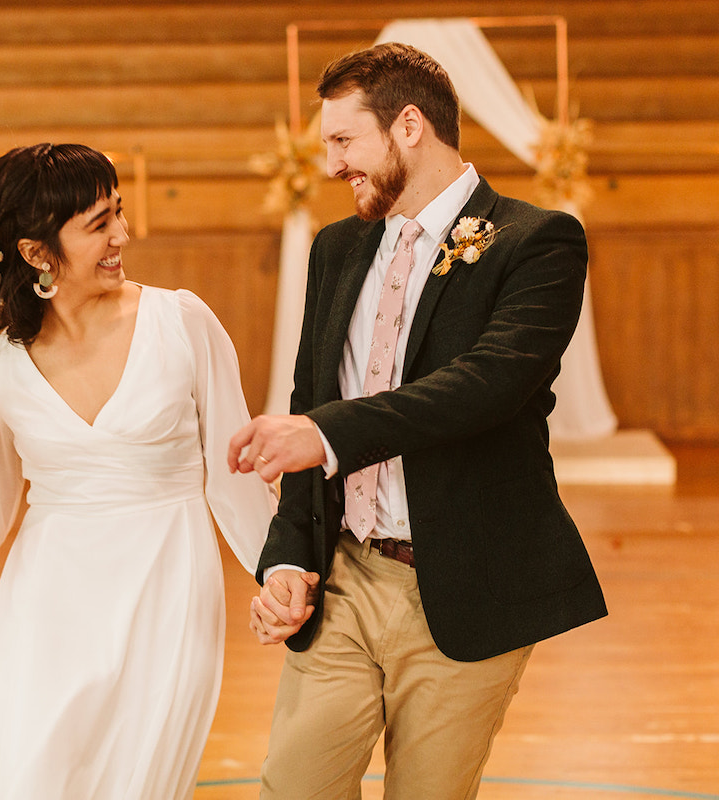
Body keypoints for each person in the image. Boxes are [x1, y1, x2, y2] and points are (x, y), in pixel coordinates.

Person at [227, 43, 608, 798]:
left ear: (409, 126)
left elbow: (485, 386)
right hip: (344, 577)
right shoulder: (336, 249)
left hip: (466, 585)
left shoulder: (537, 242)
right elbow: (313, 407)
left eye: (343, 140)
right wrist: (285, 562)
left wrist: (329, 433)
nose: (333, 165)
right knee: (293, 786)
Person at [0, 143, 273, 799]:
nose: (123, 234)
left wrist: (282, 571)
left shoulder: (182, 322)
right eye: (99, 224)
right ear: (37, 253)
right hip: (44, 606)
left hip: (168, 592)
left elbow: (235, 479)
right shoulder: (0, 368)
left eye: (118, 212)